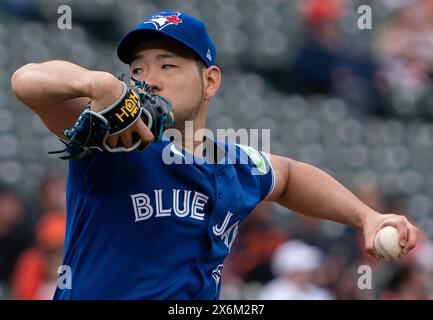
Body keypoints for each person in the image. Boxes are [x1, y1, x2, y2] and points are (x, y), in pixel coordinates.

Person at [11, 10, 419, 300]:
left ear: (210, 81)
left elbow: (291, 177)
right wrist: (94, 82)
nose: (148, 80)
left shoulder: (234, 165)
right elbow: (26, 82)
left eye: (168, 66)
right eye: (137, 70)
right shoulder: (114, 142)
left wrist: (366, 216)